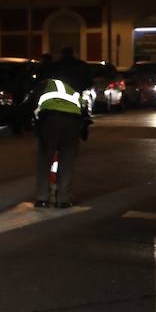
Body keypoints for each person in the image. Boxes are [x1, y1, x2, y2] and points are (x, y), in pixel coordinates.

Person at [30, 46, 91, 208]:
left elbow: (34, 98)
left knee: (45, 158)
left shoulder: (48, 77)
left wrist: (35, 122)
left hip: (50, 119)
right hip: (72, 119)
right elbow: (85, 95)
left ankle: (42, 198)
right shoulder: (78, 76)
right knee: (67, 159)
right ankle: (63, 199)